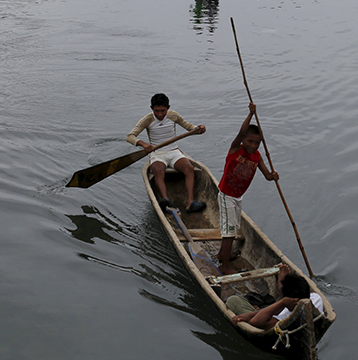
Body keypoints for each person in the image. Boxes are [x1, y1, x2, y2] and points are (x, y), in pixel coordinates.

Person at [216, 103, 278, 270]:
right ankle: (225, 266)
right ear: (243, 141)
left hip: (238, 197)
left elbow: (267, 176)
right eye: (250, 141)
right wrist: (250, 114)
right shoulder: (236, 149)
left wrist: (273, 176)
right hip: (226, 195)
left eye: (257, 143)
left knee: (233, 229)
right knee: (229, 233)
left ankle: (223, 254)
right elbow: (242, 132)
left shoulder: (257, 157)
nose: (253, 145)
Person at [127, 93, 207, 212]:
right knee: (159, 171)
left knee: (189, 168)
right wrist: (144, 144)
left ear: (168, 108)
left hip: (174, 152)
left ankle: (191, 203)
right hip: (158, 153)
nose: (160, 114)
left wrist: (200, 129)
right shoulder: (147, 120)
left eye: (163, 111)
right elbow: (130, 136)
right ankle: (165, 200)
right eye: (156, 111)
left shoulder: (173, 116)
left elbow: (190, 128)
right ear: (151, 109)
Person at [227, 263, 325, 329]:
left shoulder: (285, 318)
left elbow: (255, 322)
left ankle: (281, 285)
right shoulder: (315, 298)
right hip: (287, 306)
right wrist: (248, 315)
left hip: (267, 318)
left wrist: (282, 303)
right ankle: (281, 284)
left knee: (233, 300)